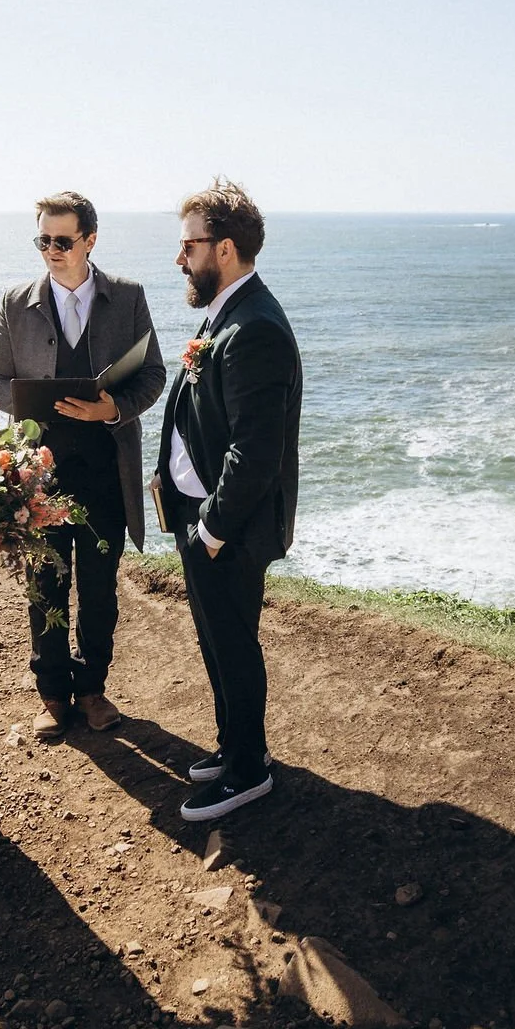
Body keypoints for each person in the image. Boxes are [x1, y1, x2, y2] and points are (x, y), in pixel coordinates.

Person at [0, 192, 166, 743]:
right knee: (45, 583)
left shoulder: (128, 297)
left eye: (63, 241)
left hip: (108, 471)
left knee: (101, 585)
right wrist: (33, 401)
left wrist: (115, 408)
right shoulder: (16, 301)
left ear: (90, 239)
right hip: (39, 474)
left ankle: (93, 690)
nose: (52, 251)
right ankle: (52, 694)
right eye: (44, 240)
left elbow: (152, 375)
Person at [154, 179, 302, 822]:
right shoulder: (228, 315)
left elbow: (255, 451)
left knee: (234, 644)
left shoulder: (255, 328)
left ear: (227, 249)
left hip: (228, 527)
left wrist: (211, 527)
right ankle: (234, 746)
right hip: (202, 514)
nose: (180, 257)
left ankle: (248, 771)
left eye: (190, 244)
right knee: (217, 641)